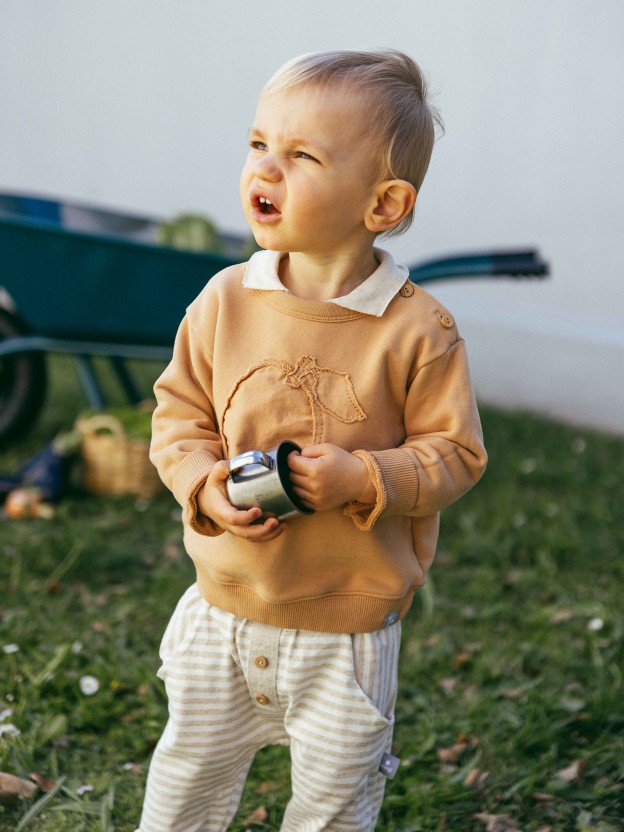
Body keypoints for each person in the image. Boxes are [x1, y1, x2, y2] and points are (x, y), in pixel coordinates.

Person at [137, 49, 487, 832]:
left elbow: (456, 455)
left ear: (383, 203)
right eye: (259, 143)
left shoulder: (418, 330)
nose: (265, 169)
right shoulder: (224, 299)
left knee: (331, 806)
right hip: (221, 610)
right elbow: (178, 416)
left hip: (346, 633)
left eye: (302, 156)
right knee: (186, 778)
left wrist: (363, 478)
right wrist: (205, 486)